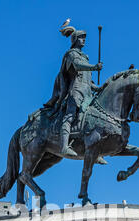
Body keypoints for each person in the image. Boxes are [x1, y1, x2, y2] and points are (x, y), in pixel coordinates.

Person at [44, 26, 104, 158]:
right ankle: (64, 146)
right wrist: (94, 67)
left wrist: (100, 87)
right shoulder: (71, 54)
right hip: (76, 91)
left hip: (87, 92)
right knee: (70, 116)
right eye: (81, 38)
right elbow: (76, 66)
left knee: (94, 117)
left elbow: (88, 81)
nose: (84, 40)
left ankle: (96, 148)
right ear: (75, 39)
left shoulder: (85, 58)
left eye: (84, 38)